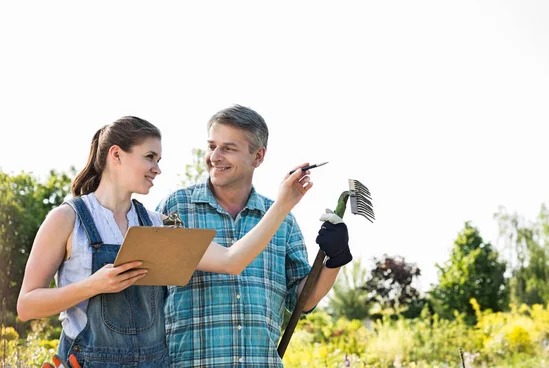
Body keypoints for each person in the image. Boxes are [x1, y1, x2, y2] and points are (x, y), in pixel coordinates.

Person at [17, 116, 313, 367]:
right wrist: (94, 285)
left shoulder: (159, 223)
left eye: (158, 160)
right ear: (116, 155)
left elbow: (231, 260)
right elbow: (27, 306)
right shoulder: (68, 219)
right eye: (149, 157)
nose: (157, 168)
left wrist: (282, 205)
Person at [157, 105, 352, 367]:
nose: (215, 156)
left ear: (258, 156)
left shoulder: (284, 223)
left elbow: (302, 302)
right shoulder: (177, 209)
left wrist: (334, 259)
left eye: (228, 148)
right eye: (212, 146)